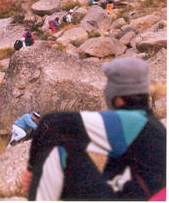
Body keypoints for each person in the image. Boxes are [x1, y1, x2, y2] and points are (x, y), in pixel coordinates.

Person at [24, 57, 166, 201]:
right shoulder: (151, 124)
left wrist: (31, 169)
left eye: (109, 83)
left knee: (60, 150)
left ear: (118, 90)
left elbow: (52, 123)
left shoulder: (132, 121)